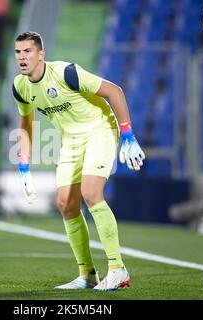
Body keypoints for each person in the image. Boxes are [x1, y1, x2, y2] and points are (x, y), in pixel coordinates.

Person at [12, 32, 145, 291]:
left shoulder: (66, 73)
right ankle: (87, 274)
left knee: (91, 193)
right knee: (65, 203)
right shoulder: (20, 87)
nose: (22, 57)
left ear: (41, 54)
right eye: (18, 52)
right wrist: (24, 165)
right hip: (70, 141)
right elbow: (26, 124)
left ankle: (117, 269)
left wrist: (128, 135)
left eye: (27, 51)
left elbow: (114, 92)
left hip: (100, 129)